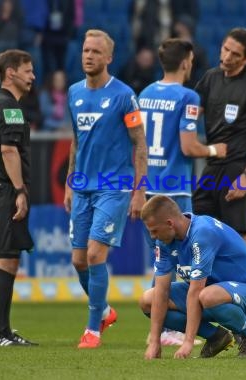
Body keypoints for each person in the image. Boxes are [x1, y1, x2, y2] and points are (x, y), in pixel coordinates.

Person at [139, 37, 227, 346]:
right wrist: (216, 149)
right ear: (187, 61)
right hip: (174, 191)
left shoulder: (146, 93)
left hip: (148, 186)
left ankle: (159, 328)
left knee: (161, 260)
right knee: (175, 263)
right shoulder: (188, 96)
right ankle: (168, 330)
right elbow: (189, 146)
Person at [64, 29, 148, 349]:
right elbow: (76, 140)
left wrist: (139, 191)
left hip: (114, 185)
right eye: (86, 50)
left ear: (109, 58)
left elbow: (139, 144)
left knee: (96, 254)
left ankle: (92, 329)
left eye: (96, 52)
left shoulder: (124, 95)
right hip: (83, 185)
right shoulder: (74, 92)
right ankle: (105, 310)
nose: (89, 56)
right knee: (78, 260)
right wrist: (71, 182)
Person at [139, 195, 246, 359]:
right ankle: (216, 336)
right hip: (209, 294)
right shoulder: (164, 241)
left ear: (169, 224)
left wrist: (188, 342)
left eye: (154, 231)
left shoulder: (202, 233)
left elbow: (195, 291)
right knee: (148, 300)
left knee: (207, 295)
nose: (152, 236)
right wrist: (154, 342)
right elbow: (161, 291)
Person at [193, 27, 246, 244]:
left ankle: (244, 279)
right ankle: (207, 279)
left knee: (237, 236)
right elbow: (189, 118)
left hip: (238, 168)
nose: (227, 57)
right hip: (211, 167)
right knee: (201, 232)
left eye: (235, 54)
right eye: (225, 49)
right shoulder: (210, 78)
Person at [0, 49, 37, 346]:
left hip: (3, 188)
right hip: (6, 189)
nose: (32, 76)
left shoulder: (3, 103)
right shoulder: (9, 106)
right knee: (5, 258)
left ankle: (2, 330)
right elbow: (8, 150)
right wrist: (19, 190)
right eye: (28, 70)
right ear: (11, 73)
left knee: (11, 259)